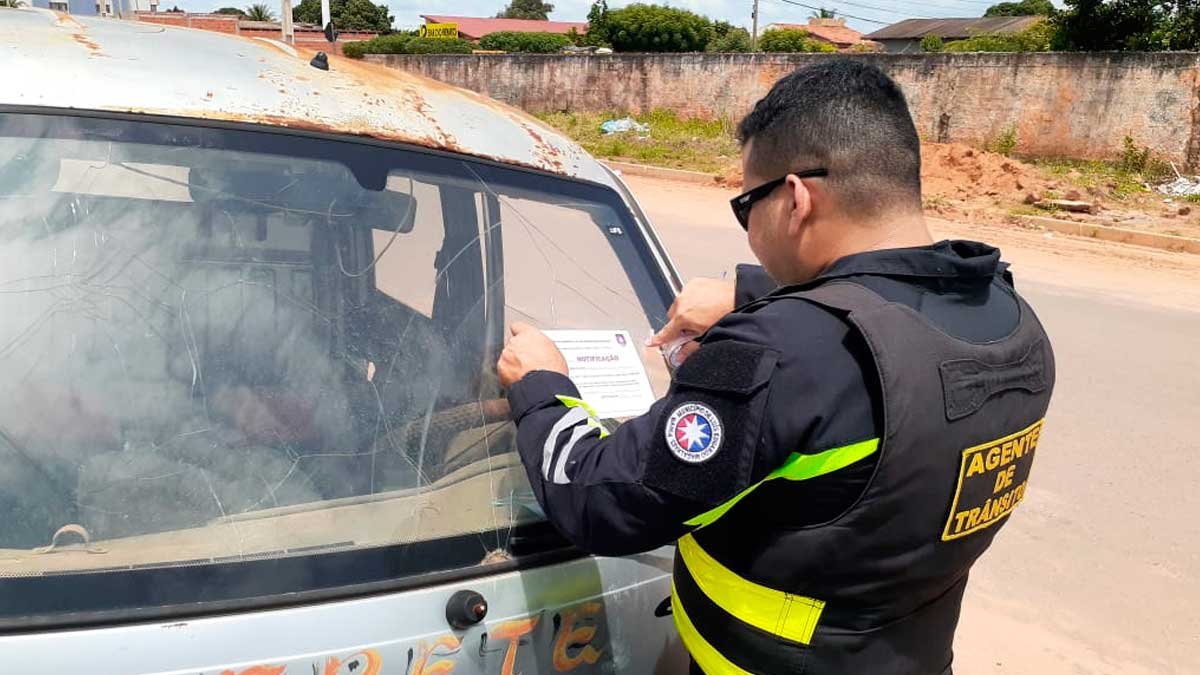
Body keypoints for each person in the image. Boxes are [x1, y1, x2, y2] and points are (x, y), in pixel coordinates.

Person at [497, 60, 1055, 674]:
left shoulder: (780, 352)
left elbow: (600, 503)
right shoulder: (1008, 320)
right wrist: (753, 292)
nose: (746, 231)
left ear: (795, 198)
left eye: (745, 207)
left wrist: (541, 385)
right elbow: (890, 303)